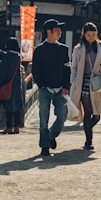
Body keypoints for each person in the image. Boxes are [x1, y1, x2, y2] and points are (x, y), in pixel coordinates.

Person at [31, 18, 70, 157]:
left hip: (60, 89)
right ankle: (44, 146)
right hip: (45, 89)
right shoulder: (39, 50)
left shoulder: (64, 49)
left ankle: (51, 135)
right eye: (57, 30)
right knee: (43, 119)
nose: (60, 32)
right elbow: (35, 71)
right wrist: (41, 86)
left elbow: (67, 69)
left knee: (62, 115)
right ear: (49, 32)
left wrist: (66, 86)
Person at [69, 22, 101, 150]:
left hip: (97, 82)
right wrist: (74, 81)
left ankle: (87, 128)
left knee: (97, 115)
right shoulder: (78, 49)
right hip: (83, 82)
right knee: (89, 111)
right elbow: (74, 66)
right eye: (88, 35)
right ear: (84, 35)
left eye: (93, 34)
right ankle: (89, 141)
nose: (91, 37)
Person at [0, 37, 24, 135]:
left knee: (8, 106)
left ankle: (8, 127)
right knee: (17, 106)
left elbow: (3, 72)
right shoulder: (18, 56)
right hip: (16, 84)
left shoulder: (7, 57)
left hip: (7, 84)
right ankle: (16, 126)